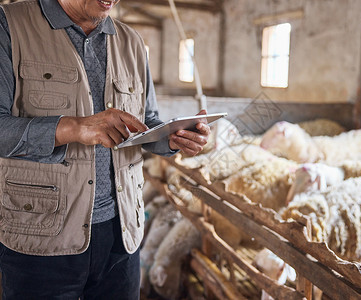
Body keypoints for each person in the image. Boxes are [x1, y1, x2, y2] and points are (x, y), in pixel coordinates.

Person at [0, 0, 210, 298]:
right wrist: (75, 127)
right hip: (41, 232)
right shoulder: (10, 25)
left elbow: (146, 121)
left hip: (121, 234)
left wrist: (171, 138)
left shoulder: (131, 42)